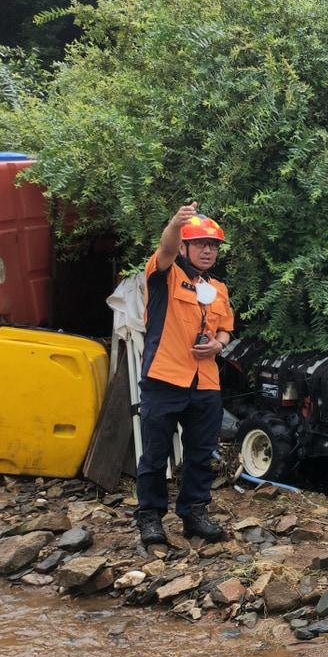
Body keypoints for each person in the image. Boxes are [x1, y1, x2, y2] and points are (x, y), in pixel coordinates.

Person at [134, 203, 235, 547]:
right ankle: (150, 518)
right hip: (164, 379)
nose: (208, 250)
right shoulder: (164, 275)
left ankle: (194, 514)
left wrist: (218, 347)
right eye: (200, 243)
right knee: (154, 454)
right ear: (184, 247)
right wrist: (176, 222)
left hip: (205, 383)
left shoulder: (218, 289)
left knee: (201, 452)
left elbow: (225, 330)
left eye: (213, 245)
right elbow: (164, 248)